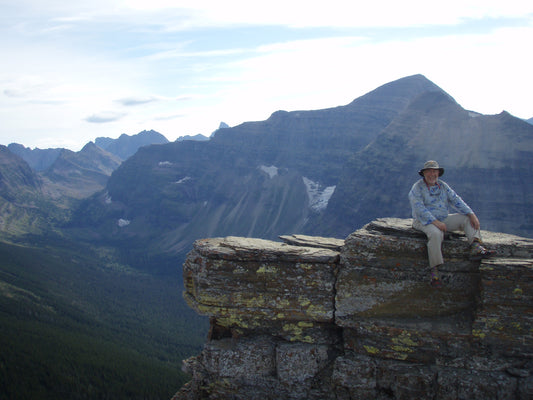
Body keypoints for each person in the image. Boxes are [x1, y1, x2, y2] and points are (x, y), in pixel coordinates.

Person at [408, 160, 494, 288]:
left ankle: (476, 246)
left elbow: (456, 200)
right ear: (424, 173)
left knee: (466, 219)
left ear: (438, 173)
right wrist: (436, 222)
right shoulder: (417, 188)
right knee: (436, 234)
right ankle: (434, 271)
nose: (432, 174)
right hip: (423, 221)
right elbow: (419, 209)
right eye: (429, 171)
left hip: (443, 218)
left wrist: (471, 214)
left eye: (434, 171)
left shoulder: (442, 186)